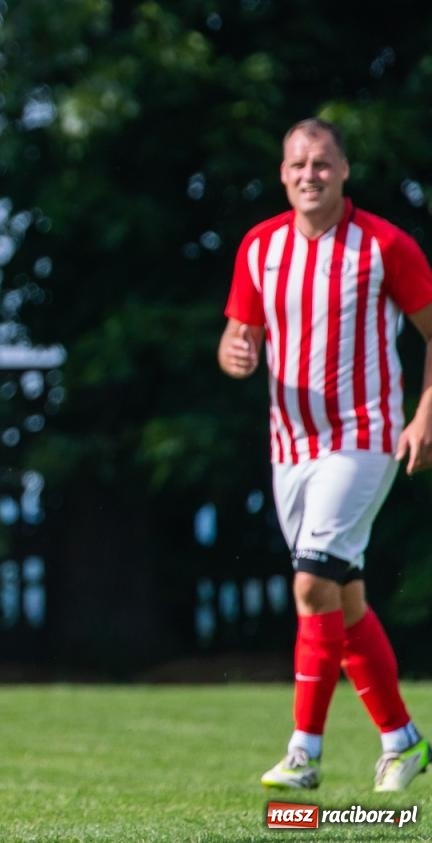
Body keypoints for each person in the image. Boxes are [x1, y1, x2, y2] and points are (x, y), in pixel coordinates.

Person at [219, 117, 432, 791]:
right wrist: (233, 353)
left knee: (310, 584)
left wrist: (426, 414)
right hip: (291, 446)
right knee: (342, 600)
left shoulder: (384, 246)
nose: (309, 175)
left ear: (344, 171)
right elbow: (239, 335)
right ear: (282, 175)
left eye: (321, 163)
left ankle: (303, 754)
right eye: (297, 164)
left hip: (364, 436)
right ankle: (403, 742)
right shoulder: (260, 246)